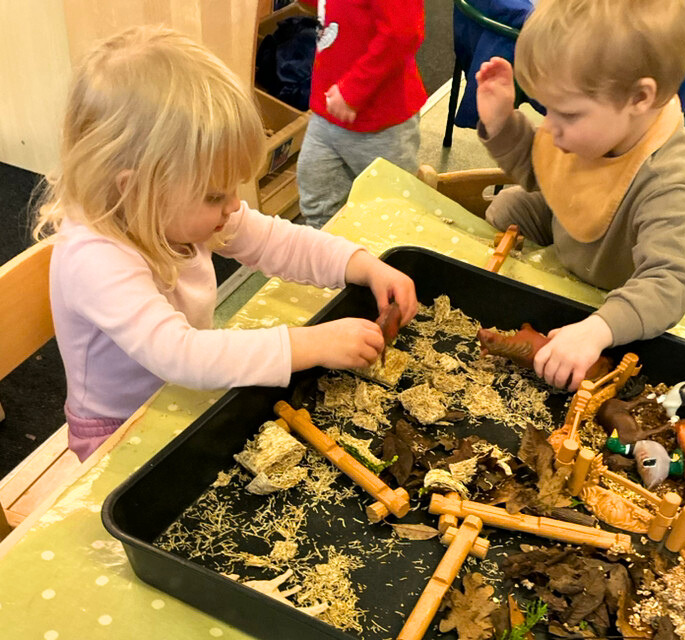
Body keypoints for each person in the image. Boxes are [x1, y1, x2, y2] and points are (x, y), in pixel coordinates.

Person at [35, 26, 418, 460]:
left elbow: (277, 242)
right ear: (136, 189)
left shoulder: (166, 212)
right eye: (215, 196)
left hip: (185, 398)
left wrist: (363, 265)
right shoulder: (95, 258)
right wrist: (310, 344)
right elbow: (181, 355)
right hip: (119, 432)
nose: (234, 205)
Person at [476, 0, 685, 391]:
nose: (551, 127)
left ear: (639, 98)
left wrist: (598, 328)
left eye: (566, 114)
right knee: (509, 205)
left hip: (617, 288)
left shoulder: (666, 178)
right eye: (547, 109)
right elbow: (541, 169)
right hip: (571, 235)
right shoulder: (602, 120)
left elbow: (671, 281)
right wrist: (501, 123)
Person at [296, 0, 428, 229]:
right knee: (317, 201)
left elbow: (403, 33)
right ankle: (327, 248)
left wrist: (353, 91)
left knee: (391, 212)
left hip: (382, 122)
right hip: (327, 110)